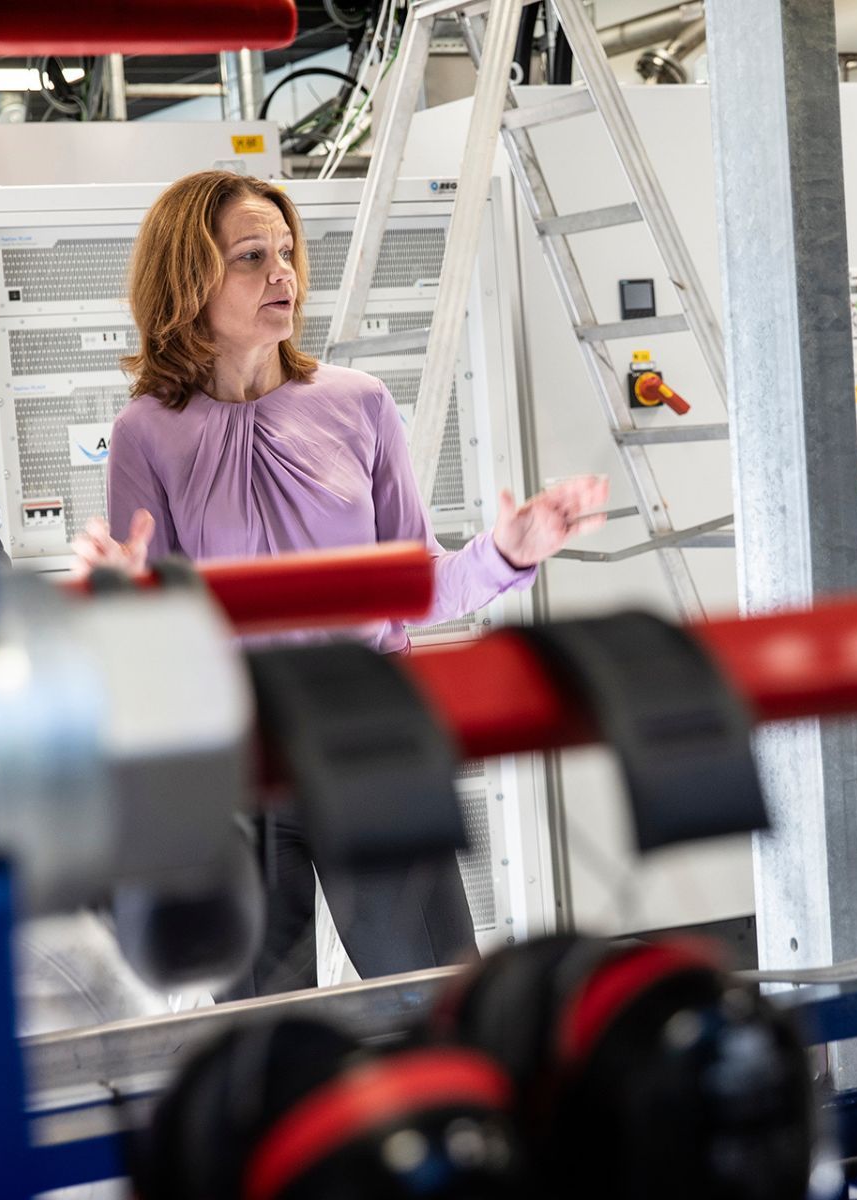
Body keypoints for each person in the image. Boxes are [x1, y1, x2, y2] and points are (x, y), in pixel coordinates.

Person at [72, 170, 607, 996]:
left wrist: (508, 550)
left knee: (435, 992)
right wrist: (121, 596)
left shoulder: (361, 403)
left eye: (286, 252)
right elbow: (157, 635)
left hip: (369, 735)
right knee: (258, 1019)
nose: (282, 274)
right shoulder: (144, 433)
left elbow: (417, 586)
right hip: (236, 753)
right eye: (252, 257)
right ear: (188, 280)